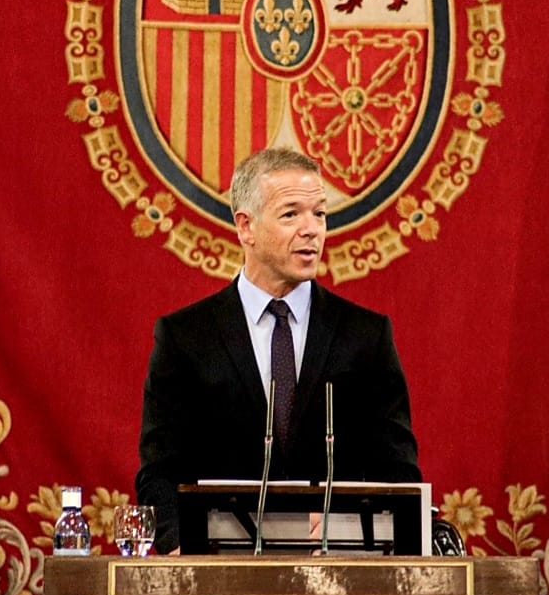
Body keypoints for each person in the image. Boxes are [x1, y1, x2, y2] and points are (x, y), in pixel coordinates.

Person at [136, 148, 421, 553]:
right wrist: (180, 548)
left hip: (339, 572)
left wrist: (364, 524)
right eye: (291, 214)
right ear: (246, 227)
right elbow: (160, 471)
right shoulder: (185, 336)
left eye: (319, 214)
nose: (312, 230)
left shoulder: (365, 335)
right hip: (220, 575)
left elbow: (399, 473)